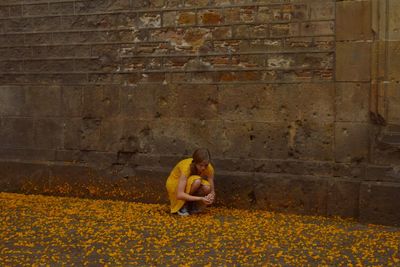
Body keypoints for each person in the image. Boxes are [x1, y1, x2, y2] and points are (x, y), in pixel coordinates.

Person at [166, 148, 215, 216]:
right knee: (197, 181)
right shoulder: (186, 168)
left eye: (206, 165)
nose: (203, 168)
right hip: (175, 184)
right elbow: (179, 194)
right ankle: (182, 205)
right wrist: (201, 199)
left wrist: (211, 196)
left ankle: (192, 205)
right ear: (195, 162)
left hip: (190, 182)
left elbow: (212, 189)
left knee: (207, 187)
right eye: (201, 165)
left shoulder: (209, 168)